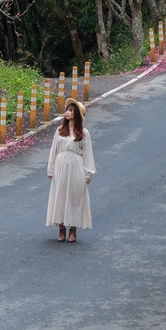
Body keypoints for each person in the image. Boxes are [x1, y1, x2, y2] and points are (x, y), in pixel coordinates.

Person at [46, 97, 96, 242]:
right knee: (60, 195)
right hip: (61, 165)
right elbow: (54, 150)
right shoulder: (60, 130)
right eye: (67, 110)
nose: (67, 113)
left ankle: (73, 230)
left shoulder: (84, 133)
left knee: (75, 196)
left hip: (76, 166)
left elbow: (87, 153)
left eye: (70, 111)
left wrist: (88, 173)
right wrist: (51, 169)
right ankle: (61, 228)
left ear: (77, 114)